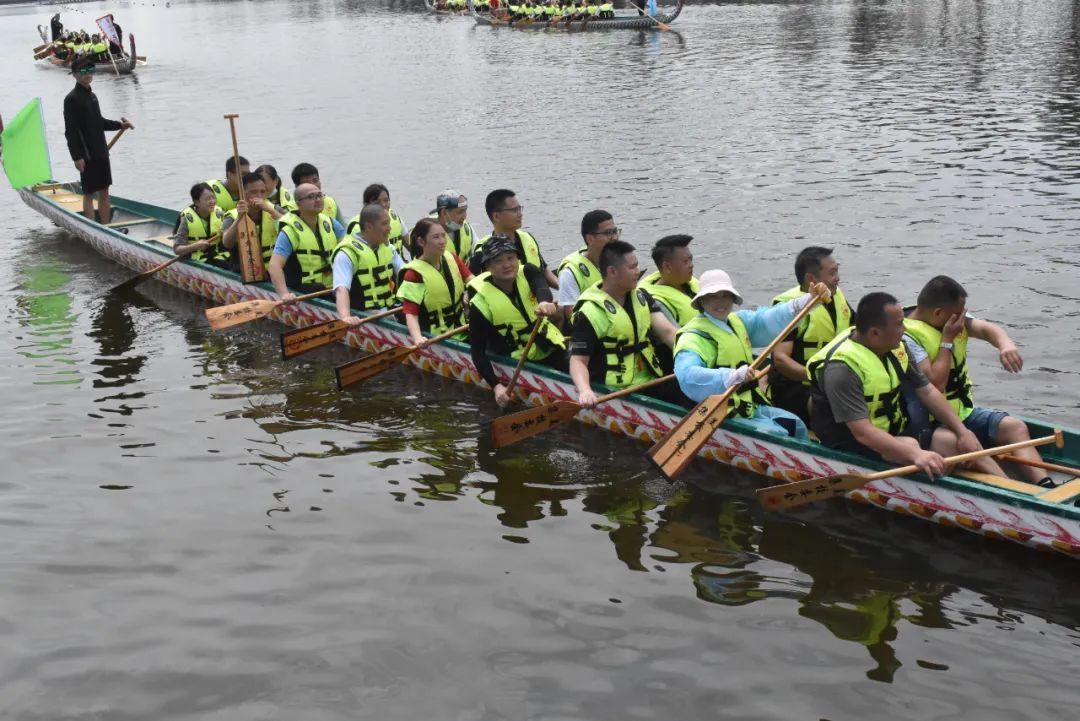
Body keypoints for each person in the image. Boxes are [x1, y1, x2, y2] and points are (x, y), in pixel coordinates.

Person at [807, 292, 988, 479]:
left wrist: (962, 431)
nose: (905, 329)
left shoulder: (896, 346)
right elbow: (863, 432)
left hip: (891, 430)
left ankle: (1008, 490)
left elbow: (927, 391)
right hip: (850, 441)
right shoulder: (842, 370)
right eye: (899, 324)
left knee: (953, 441)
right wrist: (917, 455)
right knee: (910, 445)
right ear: (875, 333)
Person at [902, 276, 1054, 486]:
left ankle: (1045, 484)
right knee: (970, 446)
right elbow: (936, 385)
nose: (963, 318)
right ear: (938, 313)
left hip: (962, 411)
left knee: (1014, 427)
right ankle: (1014, 491)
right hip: (932, 421)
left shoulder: (953, 318)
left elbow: (986, 329)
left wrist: (1005, 344)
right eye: (959, 313)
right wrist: (947, 341)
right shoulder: (907, 337)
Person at [674, 269, 828, 439]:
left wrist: (805, 301)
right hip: (718, 411)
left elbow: (767, 320)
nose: (721, 302)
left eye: (726, 295)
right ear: (701, 301)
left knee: (795, 423)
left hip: (746, 405)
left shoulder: (738, 321)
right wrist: (731, 376)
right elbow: (687, 376)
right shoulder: (692, 337)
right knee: (778, 434)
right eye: (713, 296)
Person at [569, 240, 689, 408]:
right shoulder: (589, 312)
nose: (637, 272)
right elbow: (578, 361)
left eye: (637, 266)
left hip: (650, 379)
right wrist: (585, 391)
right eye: (632, 267)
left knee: (690, 392)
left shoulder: (641, 296)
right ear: (612, 271)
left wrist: (695, 354)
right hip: (616, 389)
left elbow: (668, 332)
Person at [467, 234, 567, 407]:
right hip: (518, 359)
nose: (507, 265)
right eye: (498, 261)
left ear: (518, 259)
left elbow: (541, 287)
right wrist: (496, 386)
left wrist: (544, 302)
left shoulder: (528, 271)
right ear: (488, 267)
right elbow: (477, 352)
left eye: (511, 258)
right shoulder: (480, 304)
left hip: (549, 344)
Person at [769, 246, 854, 424]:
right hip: (796, 388)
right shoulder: (788, 307)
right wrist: (818, 378)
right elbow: (780, 360)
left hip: (832, 378)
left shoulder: (836, 296)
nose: (837, 278)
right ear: (811, 278)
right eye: (832, 273)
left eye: (837, 271)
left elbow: (858, 329)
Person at [63, 57, 134, 225]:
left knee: (104, 189)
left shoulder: (92, 96)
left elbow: (99, 122)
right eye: (83, 72)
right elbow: (70, 132)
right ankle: (91, 227)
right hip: (86, 154)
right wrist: (77, 157)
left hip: (101, 150)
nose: (87, 75)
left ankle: (105, 225)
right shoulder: (71, 99)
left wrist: (119, 125)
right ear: (74, 75)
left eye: (90, 70)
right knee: (88, 192)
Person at [397, 218, 473, 345]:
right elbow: (411, 314)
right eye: (436, 237)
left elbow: (472, 280)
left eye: (444, 236)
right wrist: (417, 338)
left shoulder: (451, 258)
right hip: (436, 336)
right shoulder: (414, 274)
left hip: (462, 328)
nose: (442, 241)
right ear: (421, 241)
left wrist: (469, 293)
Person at [268, 183, 345, 299]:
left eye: (319, 195)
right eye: (311, 197)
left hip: (332, 285)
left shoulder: (332, 223)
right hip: (305, 288)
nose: (318, 200)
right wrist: (284, 294)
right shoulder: (290, 231)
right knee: (318, 288)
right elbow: (274, 265)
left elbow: (349, 250)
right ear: (298, 203)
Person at [471, 189, 558, 288]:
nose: (520, 214)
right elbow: (473, 286)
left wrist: (564, 290)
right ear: (496, 216)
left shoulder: (527, 238)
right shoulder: (483, 252)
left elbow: (544, 270)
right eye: (514, 210)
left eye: (519, 208)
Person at [332, 203, 405, 320]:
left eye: (389, 223)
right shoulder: (346, 253)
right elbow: (341, 289)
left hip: (390, 307)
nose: (389, 228)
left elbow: (405, 273)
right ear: (369, 226)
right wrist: (345, 317)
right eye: (384, 224)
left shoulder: (388, 248)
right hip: (365, 312)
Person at [557, 209, 618, 318]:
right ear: (590, 239)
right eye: (608, 233)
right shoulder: (570, 273)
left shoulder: (619, 260)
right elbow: (573, 317)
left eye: (615, 231)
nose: (614, 238)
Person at [221, 171, 284, 267]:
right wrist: (239, 218)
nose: (259, 196)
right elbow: (227, 243)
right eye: (254, 192)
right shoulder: (231, 216)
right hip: (245, 271)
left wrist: (272, 212)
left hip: (273, 267)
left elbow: (292, 229)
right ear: (242, 193)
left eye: (262, 192)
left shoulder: (275, 209)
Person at [638, 234, 700, 327]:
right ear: (667, 267)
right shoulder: (657, 303)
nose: (691, 265)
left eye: (691, 259)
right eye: (685, 261)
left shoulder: (690, 282)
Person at [173, 182, 228, 267]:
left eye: (213, 197)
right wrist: (195, 246)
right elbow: (177, 249)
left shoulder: (220, 213)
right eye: (207, 199)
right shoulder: (186, 219)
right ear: (197, 202)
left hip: (220, 254)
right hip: (199, 257)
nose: (212, 201)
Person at [351, 183, 409, 257]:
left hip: (400, 265)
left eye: (386, 200)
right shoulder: (357, 226)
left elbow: (410, 245)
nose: (383, 205)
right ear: (366, 205)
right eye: (377, 202)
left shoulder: (395, 218)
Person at [429, 190, 475, 261]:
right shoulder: (425, 232)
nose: (464, 216)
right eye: (460, 212)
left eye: (465, 211)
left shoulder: (467, 228)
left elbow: (477, 248)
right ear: (444, 212)